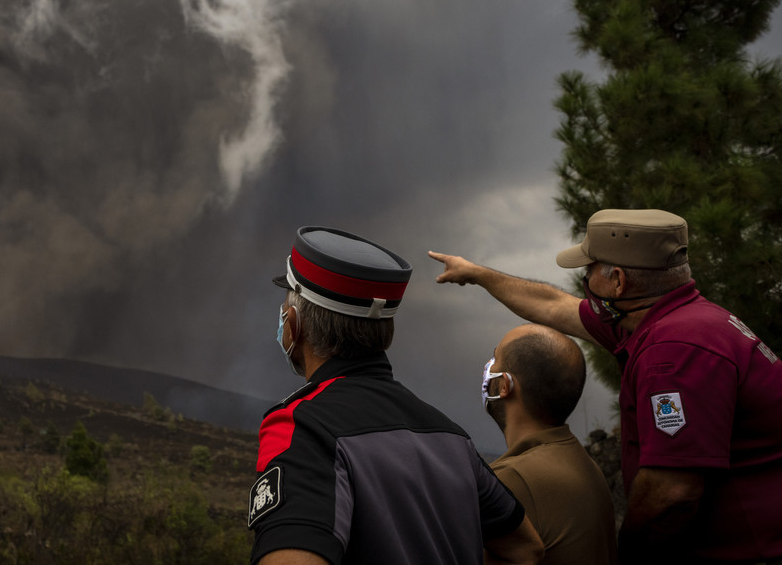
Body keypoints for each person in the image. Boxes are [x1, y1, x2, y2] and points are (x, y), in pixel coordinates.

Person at [430, 208, 782, 564]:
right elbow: (552, 306)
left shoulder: (674, 351)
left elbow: (672, 493)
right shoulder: (670, 318)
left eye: (589, 269)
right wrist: (477, 274)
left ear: (617, 281)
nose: (584, 278)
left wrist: (625, 555)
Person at [250, 226, 543, 565]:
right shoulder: (450, 436)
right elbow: (526, 549)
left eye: (285, 308)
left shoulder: (302, 426)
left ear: (295, 324)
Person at [483, 323, 617, 565]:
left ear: (505, 386)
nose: (488, 367)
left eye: (495, 358)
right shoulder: (579, 460)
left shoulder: (512, 480)